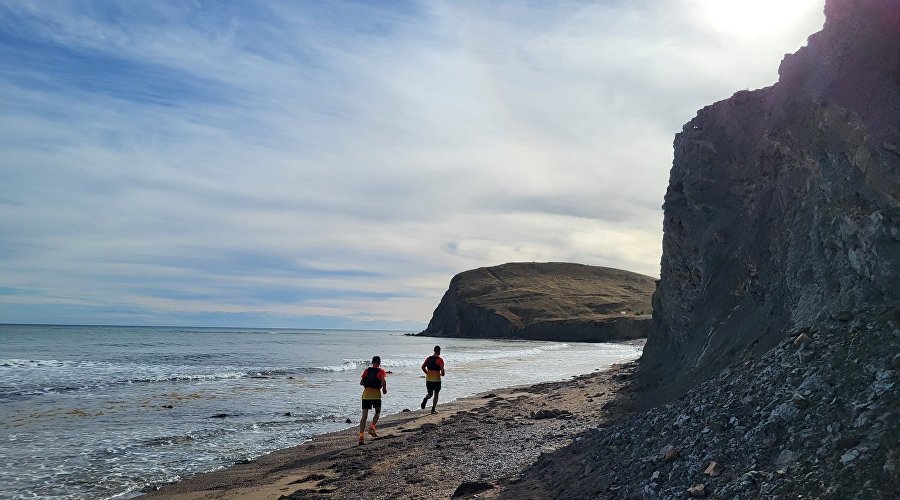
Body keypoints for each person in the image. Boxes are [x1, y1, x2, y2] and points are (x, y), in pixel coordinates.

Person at [359, 355, 387, 445]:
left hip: (366, 395)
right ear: (379, 363)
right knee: (377, 412)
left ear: (372, 362)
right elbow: (383, 381)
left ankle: (361, 436)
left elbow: (361, 382)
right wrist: (384, 389)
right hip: (376, 395)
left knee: (364, 416)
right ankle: (372, 427)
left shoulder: (367, 371)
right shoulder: (381, 371)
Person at [420, 346, 445, 414]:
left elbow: (423, 367)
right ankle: (433, 410)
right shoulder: (440, 360)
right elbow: (442, 371)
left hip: (429, 379)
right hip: (436, 380)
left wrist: (427, 373)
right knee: (436, 394)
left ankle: (425, 399)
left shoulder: (428, 358)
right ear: (439, 351)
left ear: (434, 350)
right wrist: (442, 374)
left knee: (430, 394)